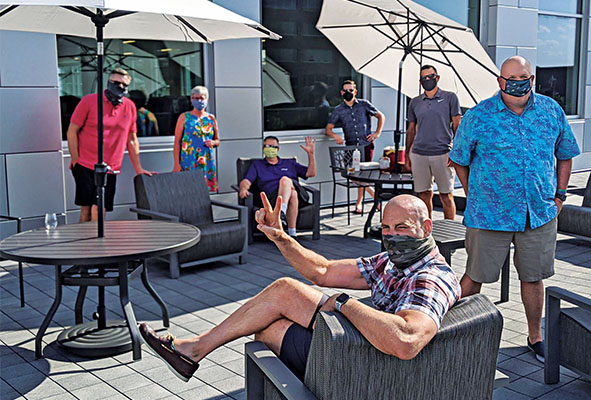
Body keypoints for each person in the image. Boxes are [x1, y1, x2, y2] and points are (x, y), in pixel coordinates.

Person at [140, 194, 461, 382]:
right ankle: (194, 350)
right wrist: (279, 236)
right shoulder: (392, 261)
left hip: (374, 365)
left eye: (402, 228)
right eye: (387, 228)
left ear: (426, 228)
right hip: (358, 343)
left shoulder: (430, 277)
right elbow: (322, 271)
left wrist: (345, 302)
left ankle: (195, 349)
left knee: (285, 293)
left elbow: (406, 341)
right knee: (269, 329)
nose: (392, 236)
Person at [449, 56, 581, 362]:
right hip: (489, 215)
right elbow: (459, 158)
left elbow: (565, 154)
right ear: (500, 81)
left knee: (533, 278)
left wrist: (560, 195)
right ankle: (450, 331)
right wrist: (474, 195)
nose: (517, 82)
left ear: (532, 79)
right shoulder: (479, 116)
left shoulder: (551, 111)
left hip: (538, 212)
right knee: (474, 276)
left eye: (523, 76)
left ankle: (536, 336)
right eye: (511, 78)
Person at [66, 68, 155, 223]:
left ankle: (96, 243)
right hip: (85, 163)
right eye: (116, 83)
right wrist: (76, 160)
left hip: (110, 167)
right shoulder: (89, 101)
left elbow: (132, 139)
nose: (120, 87)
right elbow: (72, 131)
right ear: (108, 83)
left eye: (124, 85)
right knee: (86, 210)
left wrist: (138, 169)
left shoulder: (129, 106)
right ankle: (83, 245)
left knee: (99, 209)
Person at [406, 65, 462, 220]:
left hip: (443, 153)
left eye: (431, 77)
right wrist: (406, 155)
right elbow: (411, 130)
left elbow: (457, 126)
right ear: (420, 81)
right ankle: (427, 230)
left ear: (437, 78)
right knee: (424, 195)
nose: (428, 80)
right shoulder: (415, 102)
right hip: (419, 154)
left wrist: (457, 151)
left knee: (446, 196)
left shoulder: (450, 98)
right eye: (424, 78)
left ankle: (449, 231)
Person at [326, 80, 385, 213]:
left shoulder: (364, 104)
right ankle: (375, 196)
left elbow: (380, 116)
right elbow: (328, 129)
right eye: (345, 91)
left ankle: (359, 203)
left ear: (355, 92)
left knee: (363, 174)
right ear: (342, 92)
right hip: (350, 147)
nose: (348, 93)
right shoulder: (338, 110)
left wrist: (377, 133)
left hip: (366, 144)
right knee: (352, 174)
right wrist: (336, 136)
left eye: (350, 90)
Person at [238, 136, 316, 237]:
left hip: (300, 197)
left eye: (272, 146)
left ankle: (281, 212)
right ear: (263, 148)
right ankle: (292, 234)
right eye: (267, 146)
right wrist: (243, 189)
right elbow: (246, 181)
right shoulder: (257, 165)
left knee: (285, 181)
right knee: (292, 194)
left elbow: (310, 173)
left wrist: (311, 154)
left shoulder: (289, 163)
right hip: (272, 199)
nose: (269, 148)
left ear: (278, 149)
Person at [172, 85, 220, 192]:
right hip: (189, 160)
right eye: (196, 98)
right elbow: (177, 142)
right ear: (191, 100)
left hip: (205, 160)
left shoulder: (211, 118)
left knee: (203, 191)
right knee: (187, 190)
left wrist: (213, 142)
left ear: (207, 99)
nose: (199, 101)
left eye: (202, 98)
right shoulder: (185, 117)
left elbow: (217, 140)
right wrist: (176, 164)